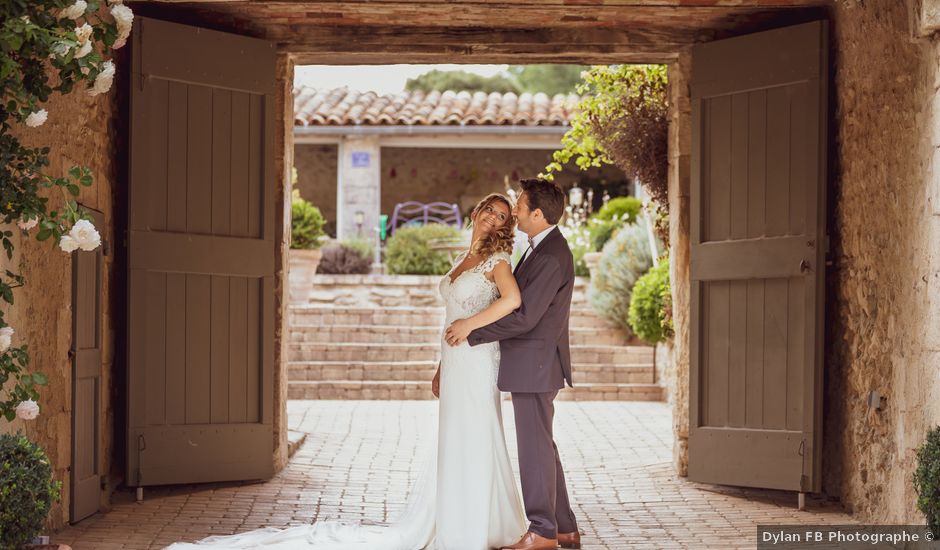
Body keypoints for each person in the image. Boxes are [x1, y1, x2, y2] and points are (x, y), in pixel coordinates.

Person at [163, 193, 527, 550]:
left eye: (502, 216)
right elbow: (451, 318)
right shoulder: (466, 257)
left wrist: (470, 325)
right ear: (478, 211)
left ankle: (478, 525)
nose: (493, 218)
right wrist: (440, 366)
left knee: (477, 434)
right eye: (490, 210)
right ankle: (457, 516)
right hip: (455, 361)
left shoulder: (497, 260)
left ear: (507, 225)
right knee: (454, 437)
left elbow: (512, 301)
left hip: (477, 359)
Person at [445, 178, 580, 550]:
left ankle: (542, 532)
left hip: (534, 364)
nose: (515, 211)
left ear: (537, 213)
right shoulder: (540, 248)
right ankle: (564, 528)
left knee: (535, 450)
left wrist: (471, 332)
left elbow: (525, 317)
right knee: (544, 448)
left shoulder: (551, 255)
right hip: (532, 363)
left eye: (519, 206)